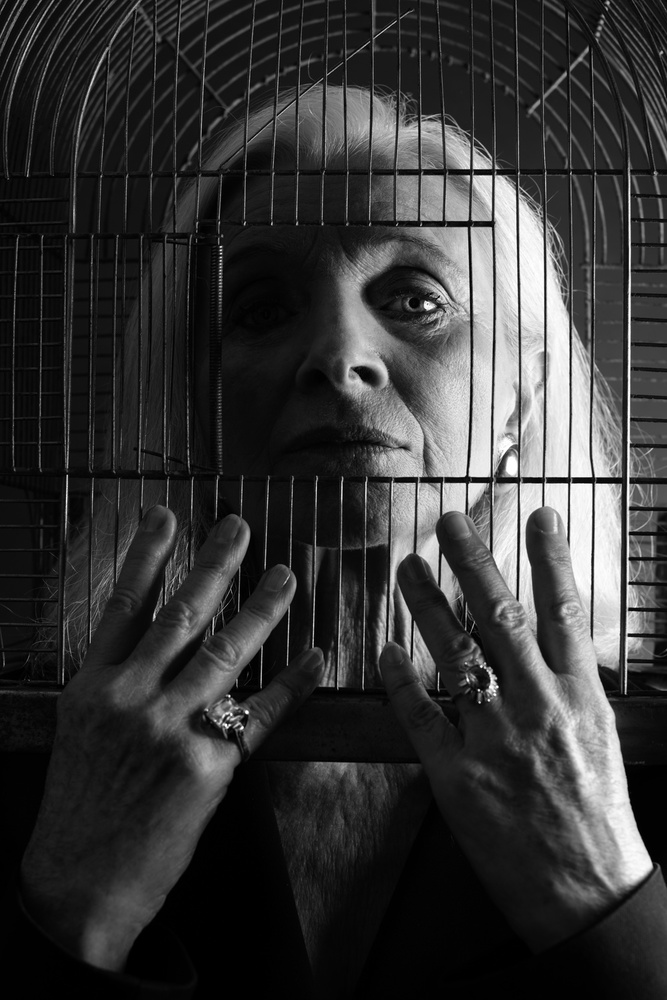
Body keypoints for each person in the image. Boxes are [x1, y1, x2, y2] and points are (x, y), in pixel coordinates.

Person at [2, 87, 666, 999]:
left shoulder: (638, 752)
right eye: (260, 309)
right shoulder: (54, 751)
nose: (339, 355)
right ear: (194, 396)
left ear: (519, 400)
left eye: (415, 299)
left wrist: (604, 889)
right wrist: (73, 899)